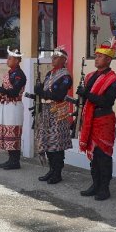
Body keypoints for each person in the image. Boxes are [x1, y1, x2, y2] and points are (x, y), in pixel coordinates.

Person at [77, 39, 116, 200]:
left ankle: (104, 188)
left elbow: (107, 101)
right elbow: (86, 100)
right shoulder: (89, 76)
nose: (96, 59)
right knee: (93, 155)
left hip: (103, 119)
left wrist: (86, 94)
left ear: (108, 59)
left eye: (100, 56)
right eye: (95, 56)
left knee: (103, 155)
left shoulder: (114, 80)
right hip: (90, 118)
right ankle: (95, 185)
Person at [35, 47, 74, 184]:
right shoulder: (49, 74)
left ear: (64, 60)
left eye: (56, 57)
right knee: (47, 140)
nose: (53, 59)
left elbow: (59, 95)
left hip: (57, 112)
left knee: (56, 143)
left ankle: (57, 173)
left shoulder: (65, 77)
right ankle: (51, 170)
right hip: (46, 111)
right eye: (53, 57)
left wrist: (42, 92)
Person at [0, 48, 27, 170]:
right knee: (6, 132)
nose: (8, 60)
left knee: (13, 132)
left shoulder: (20, 75)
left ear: (17, 60)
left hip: (14, 106)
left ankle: (15, 161)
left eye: (10, 58)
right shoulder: (10, 73)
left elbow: (14, 92)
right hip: (5, 105)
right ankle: (11, 159)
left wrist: (0, 89)